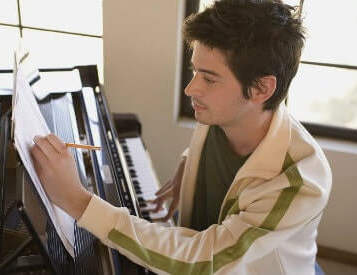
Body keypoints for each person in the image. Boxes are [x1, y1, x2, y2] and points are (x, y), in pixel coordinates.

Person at [30, 0, 332, 274]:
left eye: (209, 78)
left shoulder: (301, 179)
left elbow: (205, 260)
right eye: (195, 71)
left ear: (261, 89)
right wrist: (190, 163)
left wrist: (77, 200)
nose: (191, 89)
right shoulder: (225, 112)